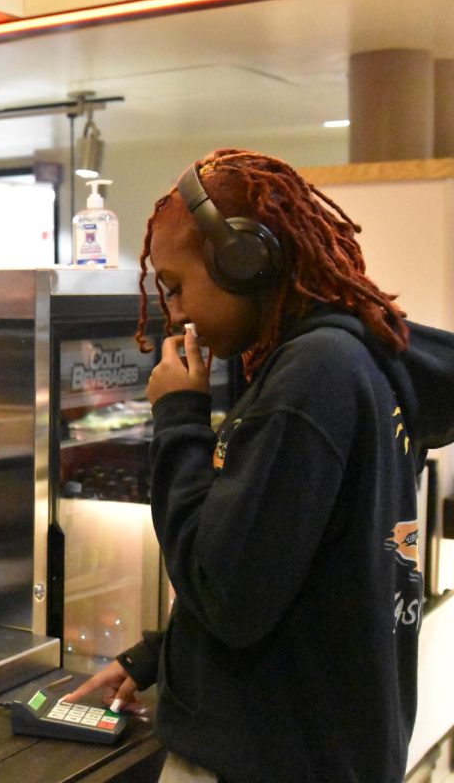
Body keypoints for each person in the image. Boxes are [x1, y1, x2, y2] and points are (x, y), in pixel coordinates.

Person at [62, 148, 454, 782]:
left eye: (177, 285)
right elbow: (282, 567)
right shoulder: (346, 363)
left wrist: (181, 419)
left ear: (243, 260)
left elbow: (227, 594)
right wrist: (157, 658)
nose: (176, 312)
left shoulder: (311, 379)